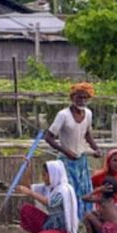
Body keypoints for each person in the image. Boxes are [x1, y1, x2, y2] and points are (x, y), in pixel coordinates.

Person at [45, 82, 101, 218]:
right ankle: (70, 222)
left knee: (84, 191)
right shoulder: (63, 115)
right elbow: (49, 137)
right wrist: (66, 152)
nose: (82, 100)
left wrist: (96, 148)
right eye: (79, 97)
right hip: (66, 162)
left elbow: (87, 134)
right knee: (70, 192)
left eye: (85, 98)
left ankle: (84, 220)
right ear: (72, 98)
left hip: (81, 161)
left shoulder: (88, 114)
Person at [16, 160, 79, 233]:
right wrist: (27, 170)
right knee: (26, 209)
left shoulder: (64, 190)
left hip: (63, 231)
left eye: (45, 175)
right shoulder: (49, 186)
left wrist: (30, 193)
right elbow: (27, 187)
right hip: (50, 224)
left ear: (53, 175)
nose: (43, 178)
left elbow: (50, 203)